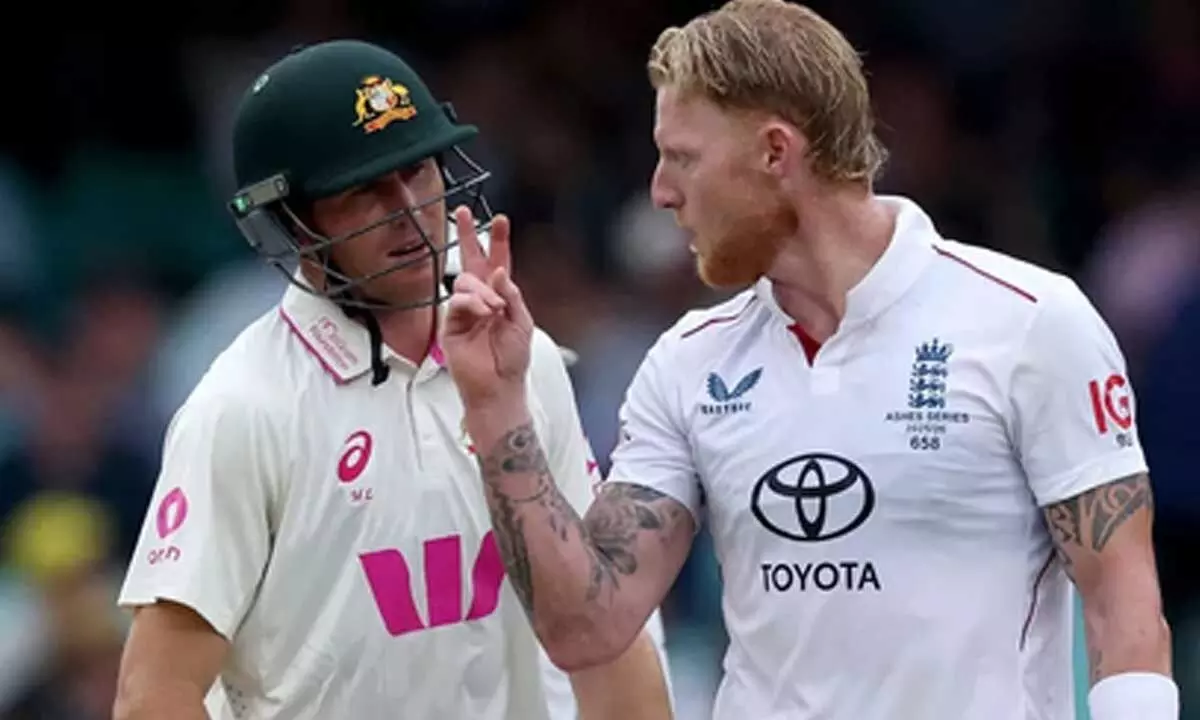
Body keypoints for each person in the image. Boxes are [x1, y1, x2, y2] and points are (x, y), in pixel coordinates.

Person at [439, 1, 1177, 718]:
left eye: (682, 159)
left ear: (775, 153)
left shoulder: (1031, 322)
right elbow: (585, 628)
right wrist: (497, 408)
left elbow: (1123, 607)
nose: (661, 193)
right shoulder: (688, 362)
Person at [111, 40, 673, 720]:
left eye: (418, 170)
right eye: (366, 190)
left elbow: (603, 631)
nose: (409, 209)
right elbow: (153, 694)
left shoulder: (524, 361)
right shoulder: (244, 409)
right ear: (294, 222)